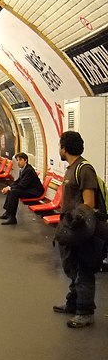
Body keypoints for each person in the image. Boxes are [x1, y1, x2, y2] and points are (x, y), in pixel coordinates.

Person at [54, 131, 105, 328]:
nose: (59, 149)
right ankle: (73, 303)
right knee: (73, 267)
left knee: (84, 269)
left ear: (64, 148)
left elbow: (89, 202)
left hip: (81, 229)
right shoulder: (72, 168)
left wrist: (75, 221)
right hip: (71, 228)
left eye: (60, 146)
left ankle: (85, 312)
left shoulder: (84, 169)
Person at [0, 152, 44, 225]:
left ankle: (12, 218)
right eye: (17, 160)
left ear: (25, 160)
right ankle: (8, 213)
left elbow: (22, 185)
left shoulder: (29, 170)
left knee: (13, 192)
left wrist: (10, 188)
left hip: (35, 192)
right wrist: (8, 187)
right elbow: (18, 181)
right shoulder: (23, 169)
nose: (18, 162)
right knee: (12, 190)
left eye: (20, 160)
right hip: (29, 189)